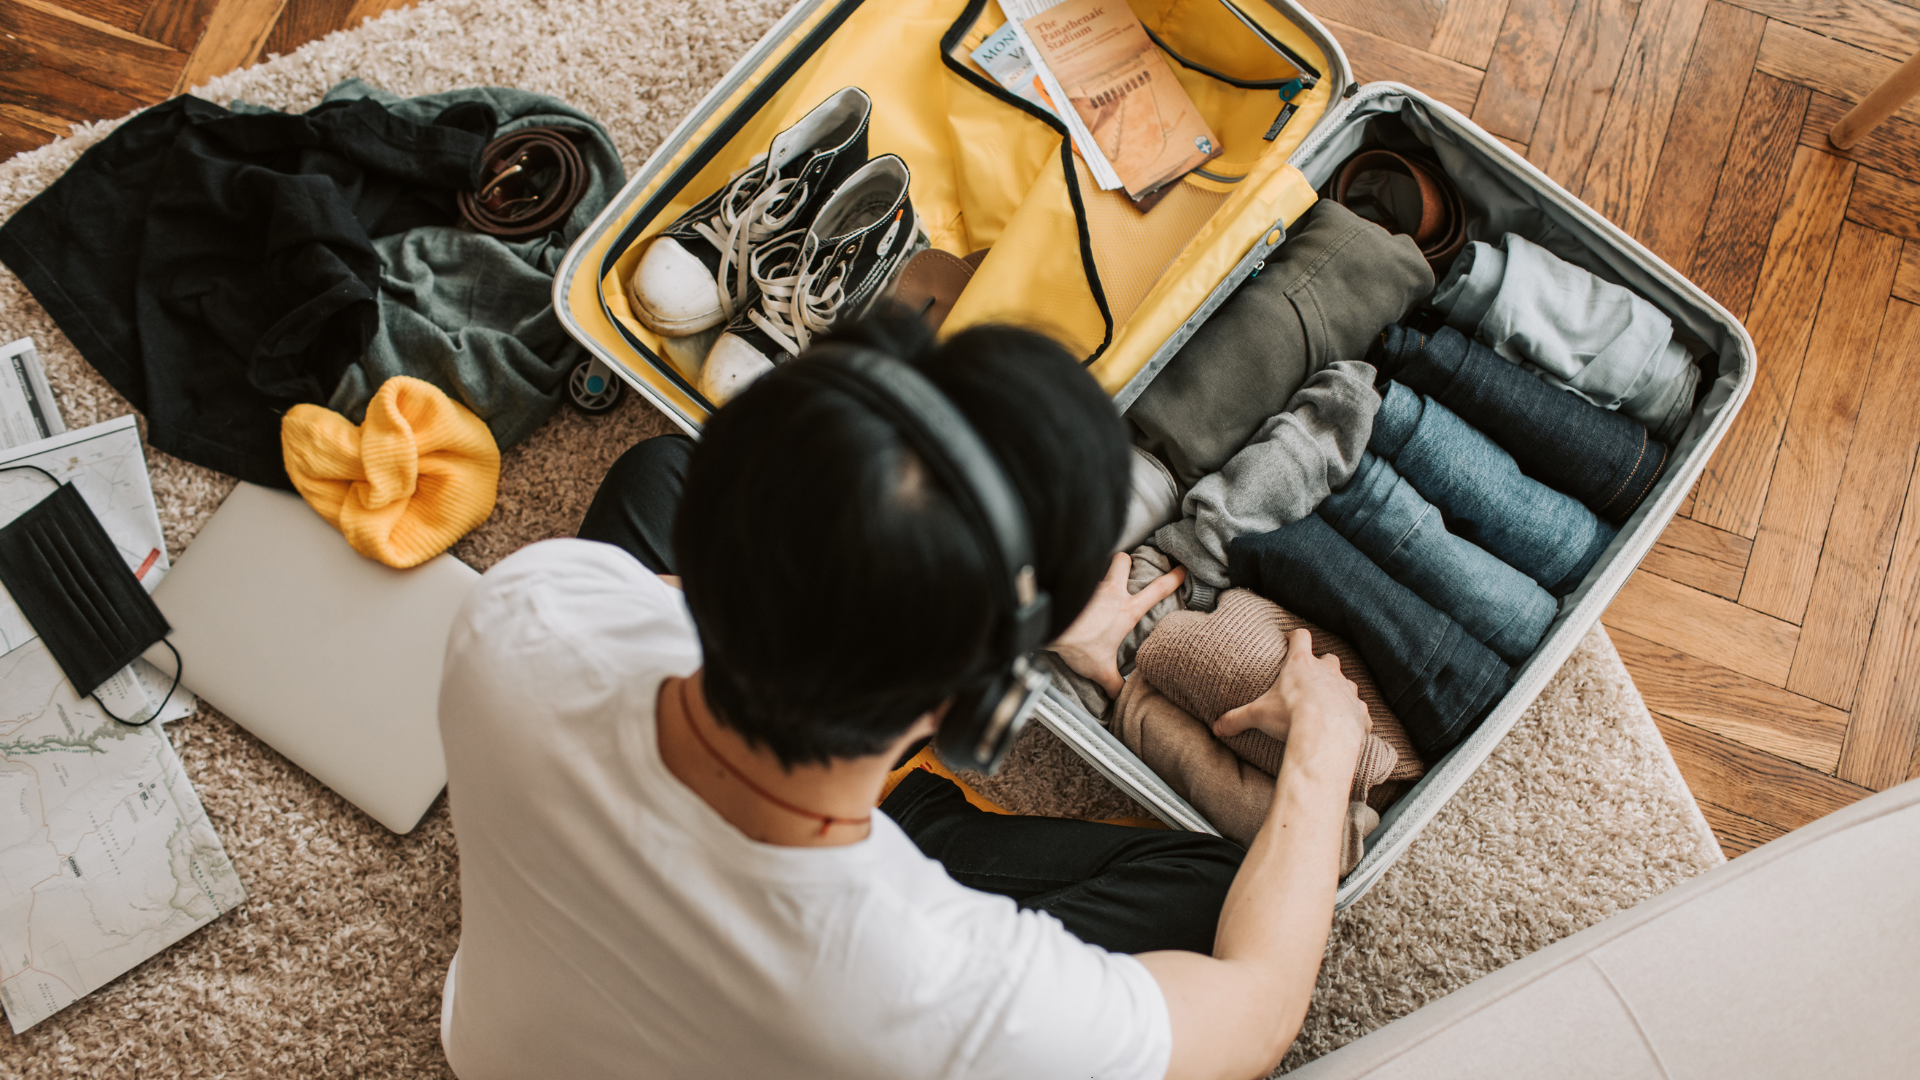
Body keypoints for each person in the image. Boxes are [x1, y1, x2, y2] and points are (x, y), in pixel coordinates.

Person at [436, 312, 1373, 1079]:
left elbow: (689, 601)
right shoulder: (951, 991)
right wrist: (1321, 753)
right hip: (841, 984)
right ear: (980, 709)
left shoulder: (531, 605)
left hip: (501, 1050)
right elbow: (1258, 1016)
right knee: (1228, 901)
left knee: (653, 474)